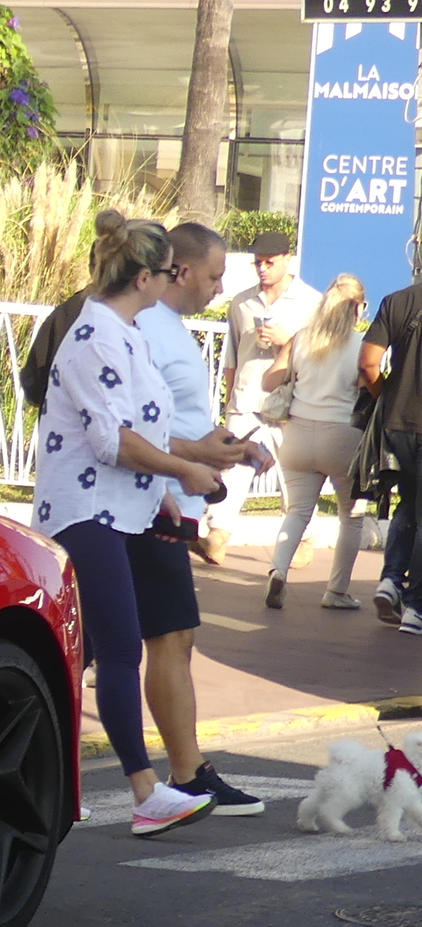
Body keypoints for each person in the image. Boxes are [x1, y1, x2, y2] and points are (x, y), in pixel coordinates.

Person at [34, 211, 253, 836]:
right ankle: (143, 790)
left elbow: (144, 432)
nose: (171, 284)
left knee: (93, 653)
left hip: (116, 509)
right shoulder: (98, 335)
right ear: (147, 277)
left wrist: (164, 484)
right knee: (119, 650)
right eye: (165, 274)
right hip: (84, 511)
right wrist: (180, 475)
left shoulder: (125, 333)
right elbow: (113, 440)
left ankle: (63, 784)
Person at [133, 223, 270, 816]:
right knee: (163, 635)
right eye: (214, 276)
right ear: (179, 271)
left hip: (169, 498)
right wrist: (196, 459)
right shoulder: (143, 328)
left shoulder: (171, 331)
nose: (220, 288)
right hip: (148, 500)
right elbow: (134, 423)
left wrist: (233, 445)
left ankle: (185, 768)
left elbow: (178, 418)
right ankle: (183, 772)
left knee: (170, 636)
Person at [261, 273, 370, 611]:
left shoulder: (302, 338)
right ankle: (336, 591)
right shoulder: (362, 347)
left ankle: (278, 570)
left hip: (297, 433)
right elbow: (371, 388)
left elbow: (269, 382)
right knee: (351, 516)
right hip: (342, 435)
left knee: (297, 511)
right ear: (359, 309)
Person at [214, 231, 320, 564]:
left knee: (293, 472)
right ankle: (217, 534)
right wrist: (229, 399)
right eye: (257, 263)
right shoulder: (241, 302)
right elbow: (231, 355)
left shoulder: (311, 302)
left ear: (287, 260)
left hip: (289, 404)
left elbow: (319, 357)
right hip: (246, 399)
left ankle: (303, 537)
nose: (263, 269)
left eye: (270, 263)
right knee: (233, 468)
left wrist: (288, 341)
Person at [359, 277, 422, 631]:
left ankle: (391, 580)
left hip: (398, 424)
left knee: (409, 502)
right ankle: (416, 608)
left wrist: (388, 398)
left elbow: (368, 363)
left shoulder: (396, 301)